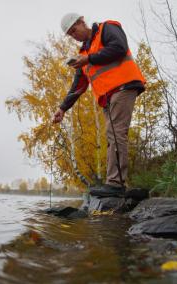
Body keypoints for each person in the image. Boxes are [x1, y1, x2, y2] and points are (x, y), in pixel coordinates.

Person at [52, 13, 146, 197]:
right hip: (108, 98)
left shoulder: (107, 28)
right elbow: (77, 87)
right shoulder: (82, 56)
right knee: (112, 135)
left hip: (124, 86)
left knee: (116, 133)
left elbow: (119, 47)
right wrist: (62, 108)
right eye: (70, 34)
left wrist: (89, 59)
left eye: (74, 30)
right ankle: (115, 182)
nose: (74, 36)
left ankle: (116, 184)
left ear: (81, 22)